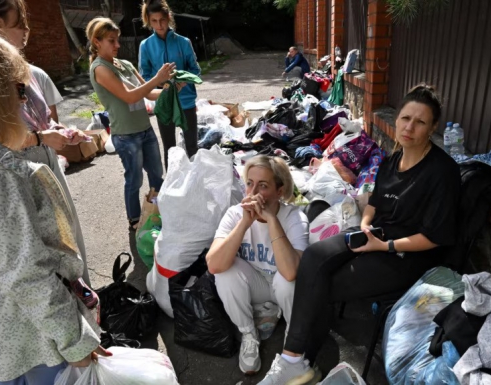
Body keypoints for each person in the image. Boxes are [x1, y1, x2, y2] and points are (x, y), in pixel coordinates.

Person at [257, 84, 461, 385]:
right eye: (405, 118)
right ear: (397, 119)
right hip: (375, 236)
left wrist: (386, 245)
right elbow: (374, 204)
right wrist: (365, 224)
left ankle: (298, 361)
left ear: (432, 127)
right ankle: (295, 361)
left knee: (325, 283)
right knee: (314, 256)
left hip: (408, 254)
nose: (409, 127)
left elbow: (435, 237)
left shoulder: (443, 171)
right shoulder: (393, 160)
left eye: (420, 122)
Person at [0, 20, 110, 385]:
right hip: (32, 341)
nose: (23, 100)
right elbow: (26, 272)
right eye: (18, 89)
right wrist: (75, 341)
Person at [0, 0, 92, 284]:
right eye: (20, 23)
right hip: (22, 172)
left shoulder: (30, 72)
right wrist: (41, 138)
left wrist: (57, 132)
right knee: (48, 258)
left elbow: (42, 120)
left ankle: (88, 304)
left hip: (43, 164)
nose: (27, 30)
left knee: (68, 242)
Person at [206, 156, 309, 375]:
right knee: (225, 273)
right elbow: (213, 264)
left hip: (283, 286)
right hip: (257, 285)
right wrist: (245, 223)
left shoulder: (294, 218)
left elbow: (291, 272)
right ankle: (249, 334)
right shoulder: (235, 214)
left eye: (263, 186)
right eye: (250, 184)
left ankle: (294, 339)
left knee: (288, 279)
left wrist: (271, 220)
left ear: (279, 191)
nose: (252, 193)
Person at [87, 17, 179, 230]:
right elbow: (129, 96)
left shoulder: (125, 64)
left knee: (157, 174)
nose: (118, 45)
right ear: (97, 41)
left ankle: (157, 212)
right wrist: (157, 79)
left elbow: (148, 94)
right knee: (134, 180)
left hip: (145, 130)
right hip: (126, 135)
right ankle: (135, 221)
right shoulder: (100, 69)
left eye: (117, 40)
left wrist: (170, 88)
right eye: (112, 40)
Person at [139, 0, 201, 167]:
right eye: (154, 21)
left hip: (186, 102)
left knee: (192, 147)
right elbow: (144, 77)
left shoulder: (183, 42)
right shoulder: (145, 46)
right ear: (148, 21)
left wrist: (183, 82)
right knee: (169, 149)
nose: (159, 25)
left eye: (162, 20)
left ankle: (195, 186)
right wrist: (160, 83)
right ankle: (172, 189)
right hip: (164, 103)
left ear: (169, 18)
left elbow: (195, 70)